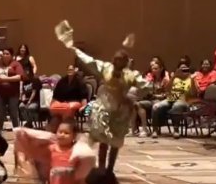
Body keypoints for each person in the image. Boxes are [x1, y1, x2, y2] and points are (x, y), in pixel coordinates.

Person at [57, 21, 149, 171]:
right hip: (104, 107)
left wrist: (131, 98)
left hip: (120, 111)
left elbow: (146, 86)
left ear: (125, 63)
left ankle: (110, 170)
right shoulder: (106, 68)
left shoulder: (130, 75)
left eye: (121, 61)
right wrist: (74, 49)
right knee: (104, 140)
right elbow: (90, 61)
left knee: (115, 142)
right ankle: (101, 168)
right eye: (116, 60)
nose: (118, 63)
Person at [151, 62, 198, 139]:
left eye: (185, 69)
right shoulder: (175, 78)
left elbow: (194, 93)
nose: (183, 71)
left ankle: (176, 130)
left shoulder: (191, 79)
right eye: (181, 69)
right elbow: (167, 90)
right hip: (171, 98)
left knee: (176, 106)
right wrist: (174, 77)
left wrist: (192, 80)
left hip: (184, 99)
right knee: (155, 107)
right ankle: (155, 130)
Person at [0, 47, 25, 131]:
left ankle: (17, 132)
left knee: (13, 113)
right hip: (0, 94)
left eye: (7, 54)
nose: (5, 55)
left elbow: (19, 77)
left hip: (13, 94)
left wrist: (5, 79)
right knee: (0, 114)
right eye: (4, 54)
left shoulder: (16, 64)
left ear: (11, 55)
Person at [135, 60, 171, 137]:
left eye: (156, 68)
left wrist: (157, 96)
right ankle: (145, 129)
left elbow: (168, 94)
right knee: (139, 104)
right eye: (152, 68)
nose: (153, 70)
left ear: (161, 69)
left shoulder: (166, 79)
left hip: (162, 101)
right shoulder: (151, 78)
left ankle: (155, 130)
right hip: (152, 100)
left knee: (156, 106)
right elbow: (147, 91)